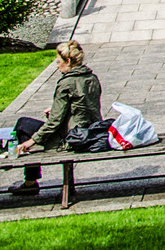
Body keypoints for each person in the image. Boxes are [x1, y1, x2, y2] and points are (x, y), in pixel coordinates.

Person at [12, 40, 102, 195]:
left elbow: (54, 122)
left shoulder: (66, 83)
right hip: (91, 131)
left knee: (23, 124)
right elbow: (82, 105)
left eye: (58, 62)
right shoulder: (92, 78)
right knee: (29, 125)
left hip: (72, 138)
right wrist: (55, 108)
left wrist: (31, 141)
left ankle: (30, 182)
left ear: (68, 61)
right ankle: (31, 182)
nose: (57, 65)